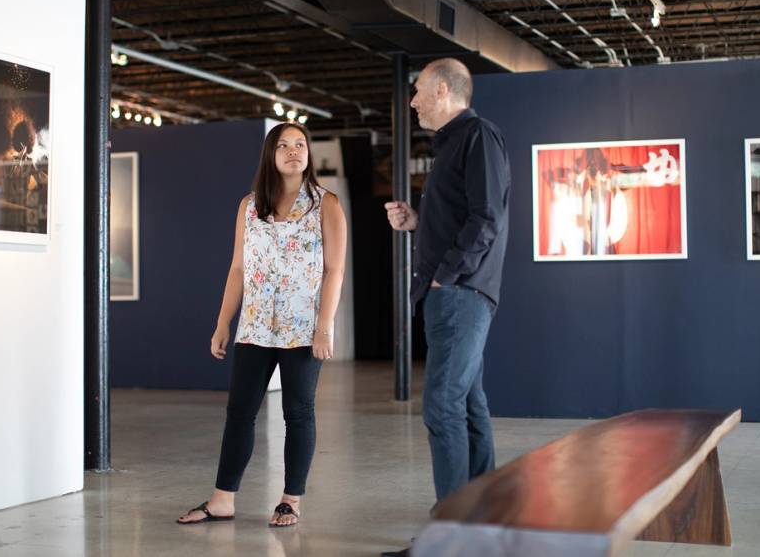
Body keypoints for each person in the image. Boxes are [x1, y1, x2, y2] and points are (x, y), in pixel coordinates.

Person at [176, 122, 347, 528]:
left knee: (298, 412)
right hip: (255, 326)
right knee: (240, 411)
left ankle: (290, 500)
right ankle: (222, 499)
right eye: (284, 145)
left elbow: (335, 270)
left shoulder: (327, 204)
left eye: (300, 144)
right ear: (271, 154)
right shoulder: (249, 206)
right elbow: (237, 267)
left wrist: (325, 325)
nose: (293, 151)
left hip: (303, 328)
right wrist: (223, 323)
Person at [383, 58, 511, 556]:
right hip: (455, 293)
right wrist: (417, 221)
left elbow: (487, 216)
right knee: (468, 406)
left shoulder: (478, 135)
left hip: (458, 294)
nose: (412, 102)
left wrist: (446, 273)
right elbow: (466, 214)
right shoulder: (455, 144)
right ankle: (479, 526)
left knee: (442, 405)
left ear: (441, 90)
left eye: (417, 92)